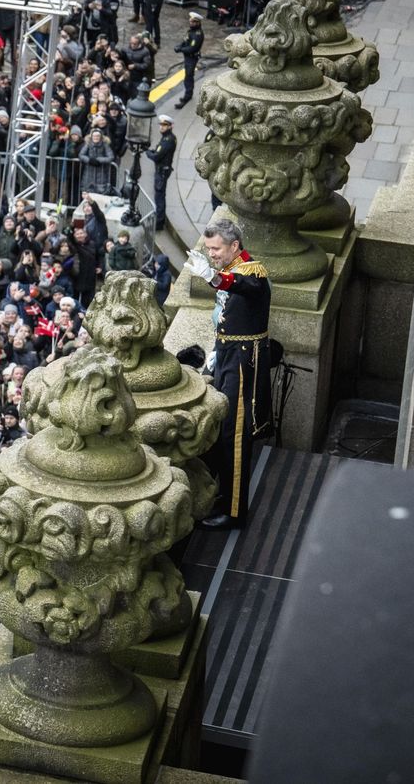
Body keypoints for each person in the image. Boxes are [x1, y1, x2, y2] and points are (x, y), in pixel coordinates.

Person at [186, 220, 272, 530]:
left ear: (234, 246)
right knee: (219, 427)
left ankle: (235, 512)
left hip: (241, 362)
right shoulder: (233, 271)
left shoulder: (253, 271)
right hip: (225, 355)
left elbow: (239, 285)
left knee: (234, 436)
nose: (211, 255)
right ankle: (220, 494)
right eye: (208, 250)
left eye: (215, 249)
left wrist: (211, 276)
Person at [146, 114, 177, 228]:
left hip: (162, 172)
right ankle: (159, 219)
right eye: (161, 125)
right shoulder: (166, 138)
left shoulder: (168, 140)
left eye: (165, 125)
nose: (162, 127)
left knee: (159, 196)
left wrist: (147, 152)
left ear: (170, 126)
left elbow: (156, 156)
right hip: (162, 170)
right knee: (159, 195)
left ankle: (159, 222)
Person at [174, 12, 205, 107]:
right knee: (187, 76)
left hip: (192, 57)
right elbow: (185, 41)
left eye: (193, 22)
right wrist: (179, 46)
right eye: (190, 21)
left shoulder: (197, 34)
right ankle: (188, 94)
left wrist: (180, 49)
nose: (190, 23)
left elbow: (193, 48)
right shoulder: (191, 31)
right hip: (188, 57)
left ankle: (188, 95)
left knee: (188, 76)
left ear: (198, 23)